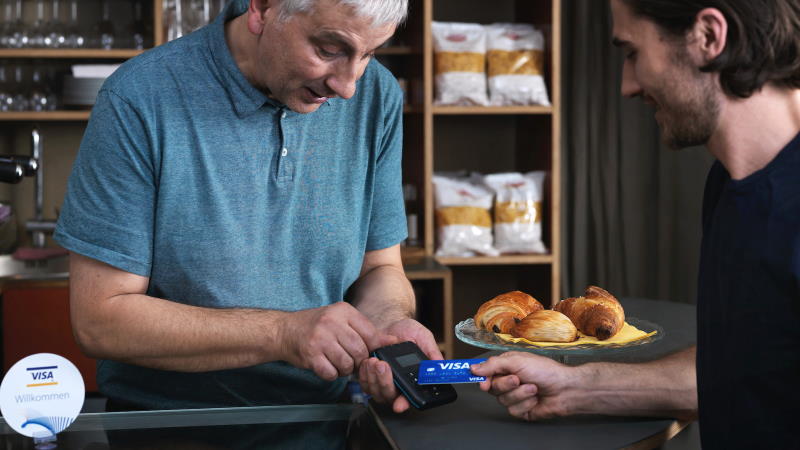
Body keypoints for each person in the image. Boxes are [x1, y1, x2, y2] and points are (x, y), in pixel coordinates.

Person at [54, 0, 439, 413]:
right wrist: (282, 334)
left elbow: (380, 269)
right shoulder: (140, 96)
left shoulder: (376, 95)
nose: (348, 86)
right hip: (168, 427)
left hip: (323, 420)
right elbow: (100, 321)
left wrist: (388, 327)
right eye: (330, 50)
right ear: (262, 9)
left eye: (368, 53)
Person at [471, 0, 800, 448]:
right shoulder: (730, 182)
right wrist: (573, 387)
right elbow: (741, 366)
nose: (626, 85)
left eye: (632, 52)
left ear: (708, 37)